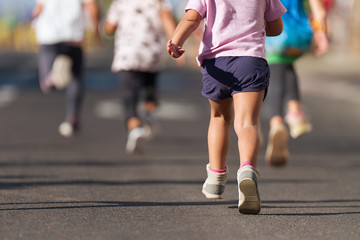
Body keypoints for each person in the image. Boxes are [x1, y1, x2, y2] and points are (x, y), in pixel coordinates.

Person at [167, 0, 286, 214]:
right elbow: (276, 28)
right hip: (250, 61)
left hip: (217, 63)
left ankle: (215, 177)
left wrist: (176, 41)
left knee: (219, 118)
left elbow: (192, 18)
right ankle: (247, 169)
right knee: (247, 122)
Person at [103, 0, 178, 154]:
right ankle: (149, 115)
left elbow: (109, 27)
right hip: (151, 54)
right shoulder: (159, 2)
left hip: (127, 54)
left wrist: (105, 29)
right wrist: (177, 43)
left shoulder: (121, 2)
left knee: (129, 96)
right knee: (149, 88)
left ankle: (135, 127)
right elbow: (166, 19)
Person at [264, 0, 329, 166]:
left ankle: (277, 123)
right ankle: (295, 111)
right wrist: (321, 33)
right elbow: (319, 11)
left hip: (274, 34)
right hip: (298, 36)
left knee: (276, 72)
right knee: (287, 65)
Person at [32, 0, 100, 137]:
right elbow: (92, 7)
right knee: (76, 78)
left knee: (46, 82)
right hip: (73, 36)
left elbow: (37, 10)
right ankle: (72, 118)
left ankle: (51, 78)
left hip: (48, 35)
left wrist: (34, 22)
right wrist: (97, 30)